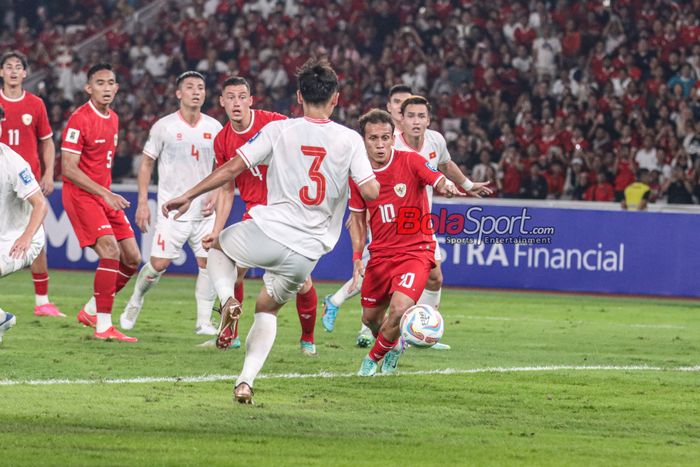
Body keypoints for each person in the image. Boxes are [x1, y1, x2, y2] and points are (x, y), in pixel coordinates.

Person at [163, 58, 380, 403]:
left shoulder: (280, 130)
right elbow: (370, 193)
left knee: (217, 246)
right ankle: (245, 380)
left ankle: (227, 300)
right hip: (307, 252)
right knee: (267, 309)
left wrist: (188, 195)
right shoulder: (351, 140)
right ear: (336, 98)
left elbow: (234, 167)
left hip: (269, 231)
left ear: (298, 96)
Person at [206, 76, 320, 355]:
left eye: (241, 96)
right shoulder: (222, 140)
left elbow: (304, 143)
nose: (236, 102)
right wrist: (216, 229)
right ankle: (230, 330)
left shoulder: (274, 123)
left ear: (250, 100)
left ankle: (308, 339)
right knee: (232, 269)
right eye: (230, 97)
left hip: (285, 213)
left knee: (302, 282)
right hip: (254, 213)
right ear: (222, 102)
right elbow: (226, 188)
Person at [348, 109, 463, 376]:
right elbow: (356, 219)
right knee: (370, 319)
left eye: (385, 138)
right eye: (373, 138)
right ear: (363, 140)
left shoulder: (411, 161)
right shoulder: (359, 175)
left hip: (416, 251)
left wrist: (445, 185)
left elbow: (435, 176)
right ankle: (394, 346)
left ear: (392, 138)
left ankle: (371, 360)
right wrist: (356, 257)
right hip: (380, 255)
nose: (379, 145)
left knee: (399, 309)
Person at [120, 71, 222, 334]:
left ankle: (203, 321)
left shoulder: (214, 127)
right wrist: (143, 202)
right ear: (179, 93)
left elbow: (223, 167)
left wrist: (217, 191)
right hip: (172, 211)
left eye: (201, 87)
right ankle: (135, 300)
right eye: (190, 87)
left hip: (205, 212)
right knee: (158, 265)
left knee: (208, 265)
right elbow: (146, 164)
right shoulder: (163, 127)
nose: (196, 91)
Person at [61, 63, 141, 342]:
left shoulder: (114, 118)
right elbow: (68, 169)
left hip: (104, 195)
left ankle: (92, 310)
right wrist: (104, 193)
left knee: (133, 258)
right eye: (100, 83)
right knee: (110, 250)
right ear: (89, 88)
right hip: (82, 195)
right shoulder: (79, 119)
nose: (106, 88)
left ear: (117, 88)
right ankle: (103, 326)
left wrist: (106, 193)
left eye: (110, 83)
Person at [0, 51, 63, 318]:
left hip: (26, 179)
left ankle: (42, 301)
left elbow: (47, 140)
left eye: (19, 67)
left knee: (34, 232)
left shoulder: (35, 104)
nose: (14, 71)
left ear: (25, 73)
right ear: (1, 72)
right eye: (8, 67)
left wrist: (49, 173)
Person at [0, 104, 49, 343]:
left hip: (21, 238)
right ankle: (1, 320)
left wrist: (26, 237)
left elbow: (40, 204)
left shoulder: (13, 162)